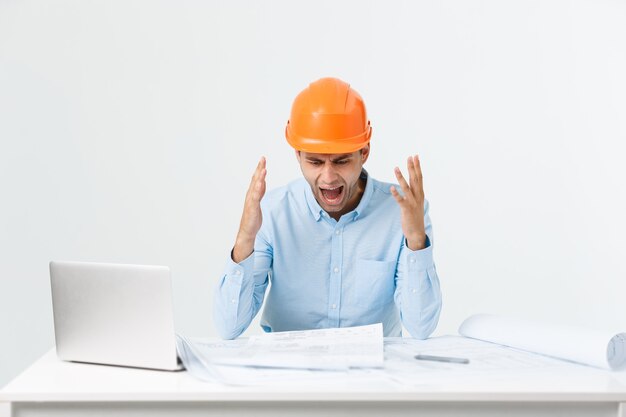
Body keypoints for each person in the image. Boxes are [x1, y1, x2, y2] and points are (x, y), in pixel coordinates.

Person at [213, 77, 441, 339]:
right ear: (297, 155)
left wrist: (415, 241)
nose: (329, 177)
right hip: (289, 374)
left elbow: (421, 327)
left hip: (372, 375)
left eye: (342, 161)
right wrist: (245, 238)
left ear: (364, 152)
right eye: (315, 162)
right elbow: (229, 328)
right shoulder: (273, 212)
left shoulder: (403, 212)